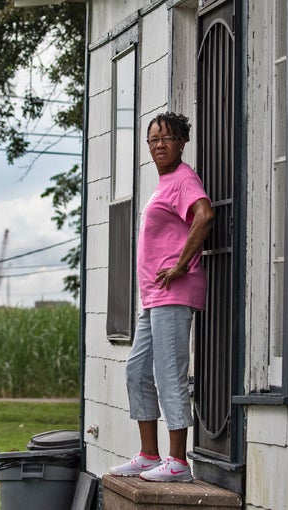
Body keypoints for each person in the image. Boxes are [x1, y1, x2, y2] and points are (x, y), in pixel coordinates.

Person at [108, 112, 214, 483]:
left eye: (166, 138)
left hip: (173, 292)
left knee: (169, 374)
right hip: (154, 296)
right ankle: (149, 454)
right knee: (137, 370)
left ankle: (178, 461)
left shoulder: (185, 179)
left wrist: (182, 265)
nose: (159, 145)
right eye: (153, 140)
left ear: (182, 141)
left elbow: (204, 215)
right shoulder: (164, 182)